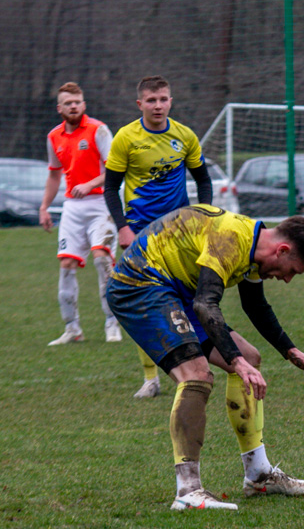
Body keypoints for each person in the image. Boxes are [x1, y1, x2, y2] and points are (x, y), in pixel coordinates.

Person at [106, 206, 304, 511]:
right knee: (196, 375)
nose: (287, 279)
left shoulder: (253, 244)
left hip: (177, 291)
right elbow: (205, 305)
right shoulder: (232, 239)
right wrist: (235, 361)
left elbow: (255, 306)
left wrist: (290, 351)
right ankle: (187, 491)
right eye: (291, 271)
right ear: (283, 249)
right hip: (141, 283)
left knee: (250, 356)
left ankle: (259, 474)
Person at [104, 75, 214, 399]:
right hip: (139, 230)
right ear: (140, 104)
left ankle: (195, 365)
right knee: (146, 302)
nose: (158, 105)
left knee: (186, 298)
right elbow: (111, 187)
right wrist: (123, 227)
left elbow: (203, 180)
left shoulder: (185, 136)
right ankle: (150, 378)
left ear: (171, 101)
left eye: (163, 99)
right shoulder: (126, 138)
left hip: (178, 231)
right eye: (151, 100)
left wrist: (204, 215)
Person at [41, 82, 121, 346]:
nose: (73, 106)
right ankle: (72, 329)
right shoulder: (54, 136)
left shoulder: (99, 130)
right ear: (59, 108)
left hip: (102, 204)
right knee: (66, 265)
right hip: (73, 208)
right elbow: (54, 175)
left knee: (102, 259)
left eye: (77, 102)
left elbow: (116, 169)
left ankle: (112, 323)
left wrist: (89, 184)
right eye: (68, 103)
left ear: (84, 105)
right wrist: (44, 207)